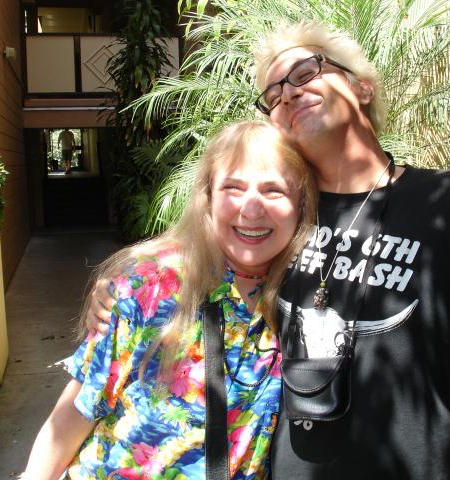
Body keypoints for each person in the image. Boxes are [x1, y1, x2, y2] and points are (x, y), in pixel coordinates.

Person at [250, 21, 450, 479]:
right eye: (272, 96)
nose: (287, 94)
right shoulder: (272, 218)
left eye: (305, 72)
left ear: (361, 87)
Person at [22, 120, 318, 480]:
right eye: (233, 187)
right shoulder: (151, 286)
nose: (251, 209)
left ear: (302, 204)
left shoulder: (308, 296)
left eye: (274, 190)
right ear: (208, 198)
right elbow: (76, 412)